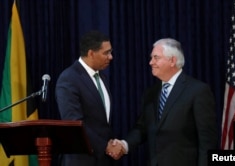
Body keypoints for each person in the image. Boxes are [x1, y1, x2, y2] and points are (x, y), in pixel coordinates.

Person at [108, 38, 219, 166]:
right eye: (151, 58)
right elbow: (143, 128)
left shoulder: (198, 91)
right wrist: (124, 145)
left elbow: (207, 142)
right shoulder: (151, 93)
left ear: (172, 61)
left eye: (156, 58)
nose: (151, 62)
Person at [55, 30, 123, 166]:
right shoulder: (69, 79)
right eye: (106, 53)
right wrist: (105, 145)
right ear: (91, 53)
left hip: (103, 159)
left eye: (110, 52)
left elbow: (101, 122)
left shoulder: (101, 77)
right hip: (80, 160)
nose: (111, 57)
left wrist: (112, 144)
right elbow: (73, 122)